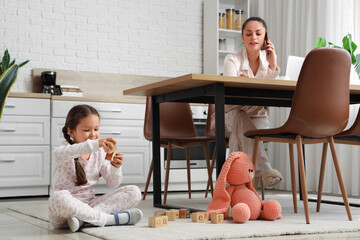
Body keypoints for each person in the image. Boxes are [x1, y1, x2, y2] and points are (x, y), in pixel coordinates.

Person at [210, 17, 283, 187]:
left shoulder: (268, 64)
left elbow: (271, 93)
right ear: (242, 37)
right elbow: (229, 91)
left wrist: (273, 66)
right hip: (225, 118)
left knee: (241, 130)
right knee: (239, 116)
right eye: (248, 34)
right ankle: (264, 168)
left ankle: (234, 186)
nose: (253, 38)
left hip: (258, 120)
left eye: (258, 34)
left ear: (266, 38)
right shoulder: (232, 60)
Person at [48, 104, 142, 232]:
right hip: (63, 213)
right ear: (71, 131)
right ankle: (107, 219)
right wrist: (94, 145)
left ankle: (83, 220)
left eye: (96, 129)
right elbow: (60, 154)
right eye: (87, 130)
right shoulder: (63, 151)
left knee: (134, 191)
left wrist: (115, 167)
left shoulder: (99, 154)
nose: (93, 135)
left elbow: (113, 183)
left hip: (91, 204)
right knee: (58, 197)